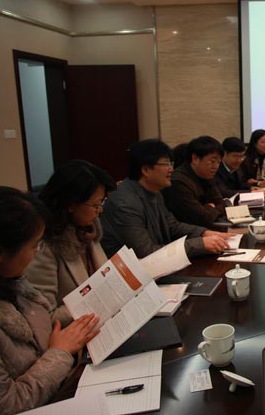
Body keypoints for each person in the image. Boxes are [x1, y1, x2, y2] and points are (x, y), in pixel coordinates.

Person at [0, 186, 99, 414]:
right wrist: (60, 352)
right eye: (34, 245)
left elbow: (43, 333)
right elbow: (2, 406)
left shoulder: (11, 283)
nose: (37, 253)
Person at [100, 139, 230, 259]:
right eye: (166, 164)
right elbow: (146, 252)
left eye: (171, 163)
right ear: (146, 170)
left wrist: (204, 233)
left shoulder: (154, 191)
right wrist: (200, 244)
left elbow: (171, 226)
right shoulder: (125, 202)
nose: (171, 169)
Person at [26, 160, 116, 325]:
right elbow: (45, 316)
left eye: (101, 203)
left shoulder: (87, 230)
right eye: (95, 205)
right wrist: (96, 302)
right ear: (71, 204)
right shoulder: (43, 246)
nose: (100, 210)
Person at [164, 136, 226, 228]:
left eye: (219, 162)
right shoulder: (178, 182)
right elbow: (202, 218)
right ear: (195, 158)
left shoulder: (206, 175)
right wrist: (211, 207)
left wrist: (208, 208)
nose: (216, 167)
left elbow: (221, 204)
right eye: (212, 161)